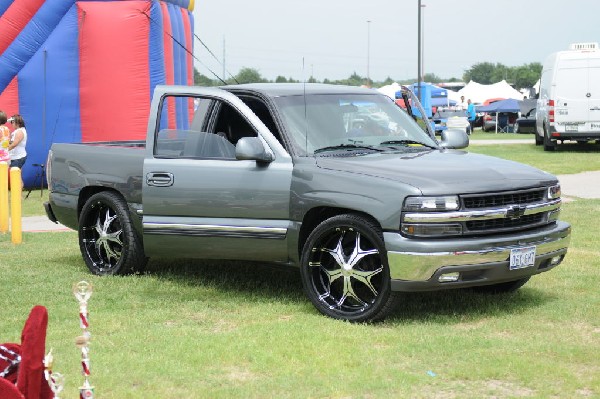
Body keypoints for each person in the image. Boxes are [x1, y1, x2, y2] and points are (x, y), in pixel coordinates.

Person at [7, 115, 27, 190]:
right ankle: (18, 195)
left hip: (18, 157)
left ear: (17, 123)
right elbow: (12, 142)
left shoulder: (19, 131)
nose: (11, 124)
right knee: (17, 176)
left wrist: (5, 150)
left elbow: (14, 144)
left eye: (12, 122)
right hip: (16, 157)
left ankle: (18, 196)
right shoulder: (19, 131)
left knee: (16, 177)